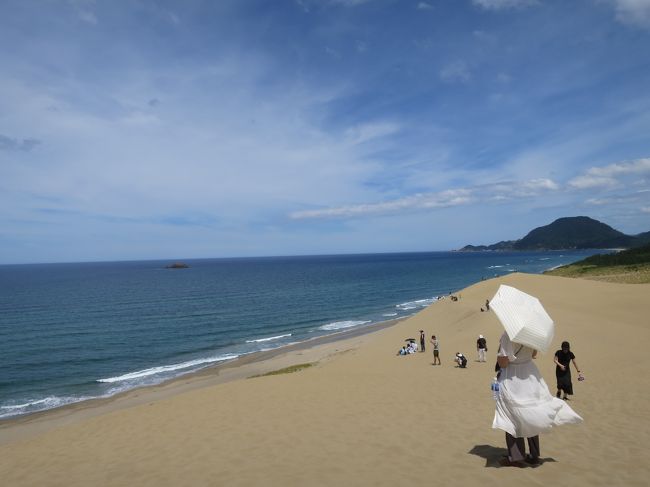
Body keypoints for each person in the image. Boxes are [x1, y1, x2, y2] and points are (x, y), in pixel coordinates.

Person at [493, 332, 582, 467]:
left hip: (514, 377)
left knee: (512, 415)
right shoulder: (530, 332)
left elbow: (503, 363)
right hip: (531, 375)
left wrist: (501, 349)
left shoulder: (508, 335)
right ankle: (534, 455)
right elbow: (534, 354)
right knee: (532, 412)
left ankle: (516, 457)